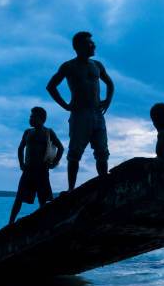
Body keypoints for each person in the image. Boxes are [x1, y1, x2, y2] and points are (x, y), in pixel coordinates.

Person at [46, 31, 114, 191]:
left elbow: (110, 84)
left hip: (97, 114)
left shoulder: (97, 65)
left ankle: (103, 185)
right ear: (78, 47)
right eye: (89, 43)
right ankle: (71, 189)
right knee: (74, 154)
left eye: (92, 43)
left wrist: (108, 100)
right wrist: (65, 105)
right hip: (79, 115)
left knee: (102, 152)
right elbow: (51, 86)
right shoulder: (69, 66)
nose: (93, 45)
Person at [8, 107, 64, 225]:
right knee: (19, 197)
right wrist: (21, 164)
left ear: (42, 119)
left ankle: (43, 223)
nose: (31, 119)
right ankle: (10, 223)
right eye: (30, 116)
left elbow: (61, 148)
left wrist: (54, 163)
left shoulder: (48, 132)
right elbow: (20, 148)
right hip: (28, 169)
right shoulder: (28, 132)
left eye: (34, 117)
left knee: (42, 197)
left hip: (42, 170)